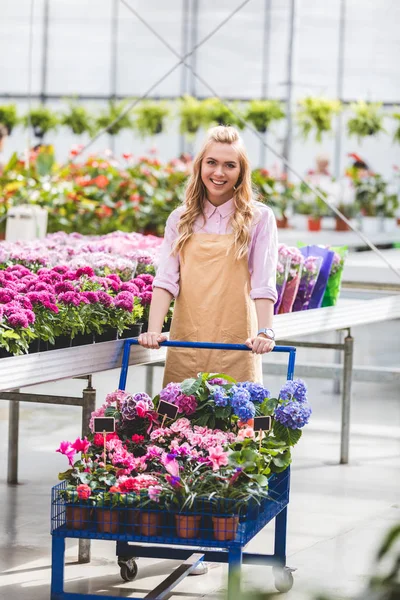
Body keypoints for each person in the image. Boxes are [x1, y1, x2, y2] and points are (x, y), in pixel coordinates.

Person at [139, 125, 278, 386]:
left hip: (237, 342)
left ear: (241, 172)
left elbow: (263, 283)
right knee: (179, 419)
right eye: (211, 162)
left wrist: (265, 332)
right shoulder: (180, 219)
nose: (219, 172)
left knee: (238, 420)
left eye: (229, 165)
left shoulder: (258, 218)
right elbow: (166, 280)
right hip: (187, 339)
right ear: (200, 166)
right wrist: (153, 331)